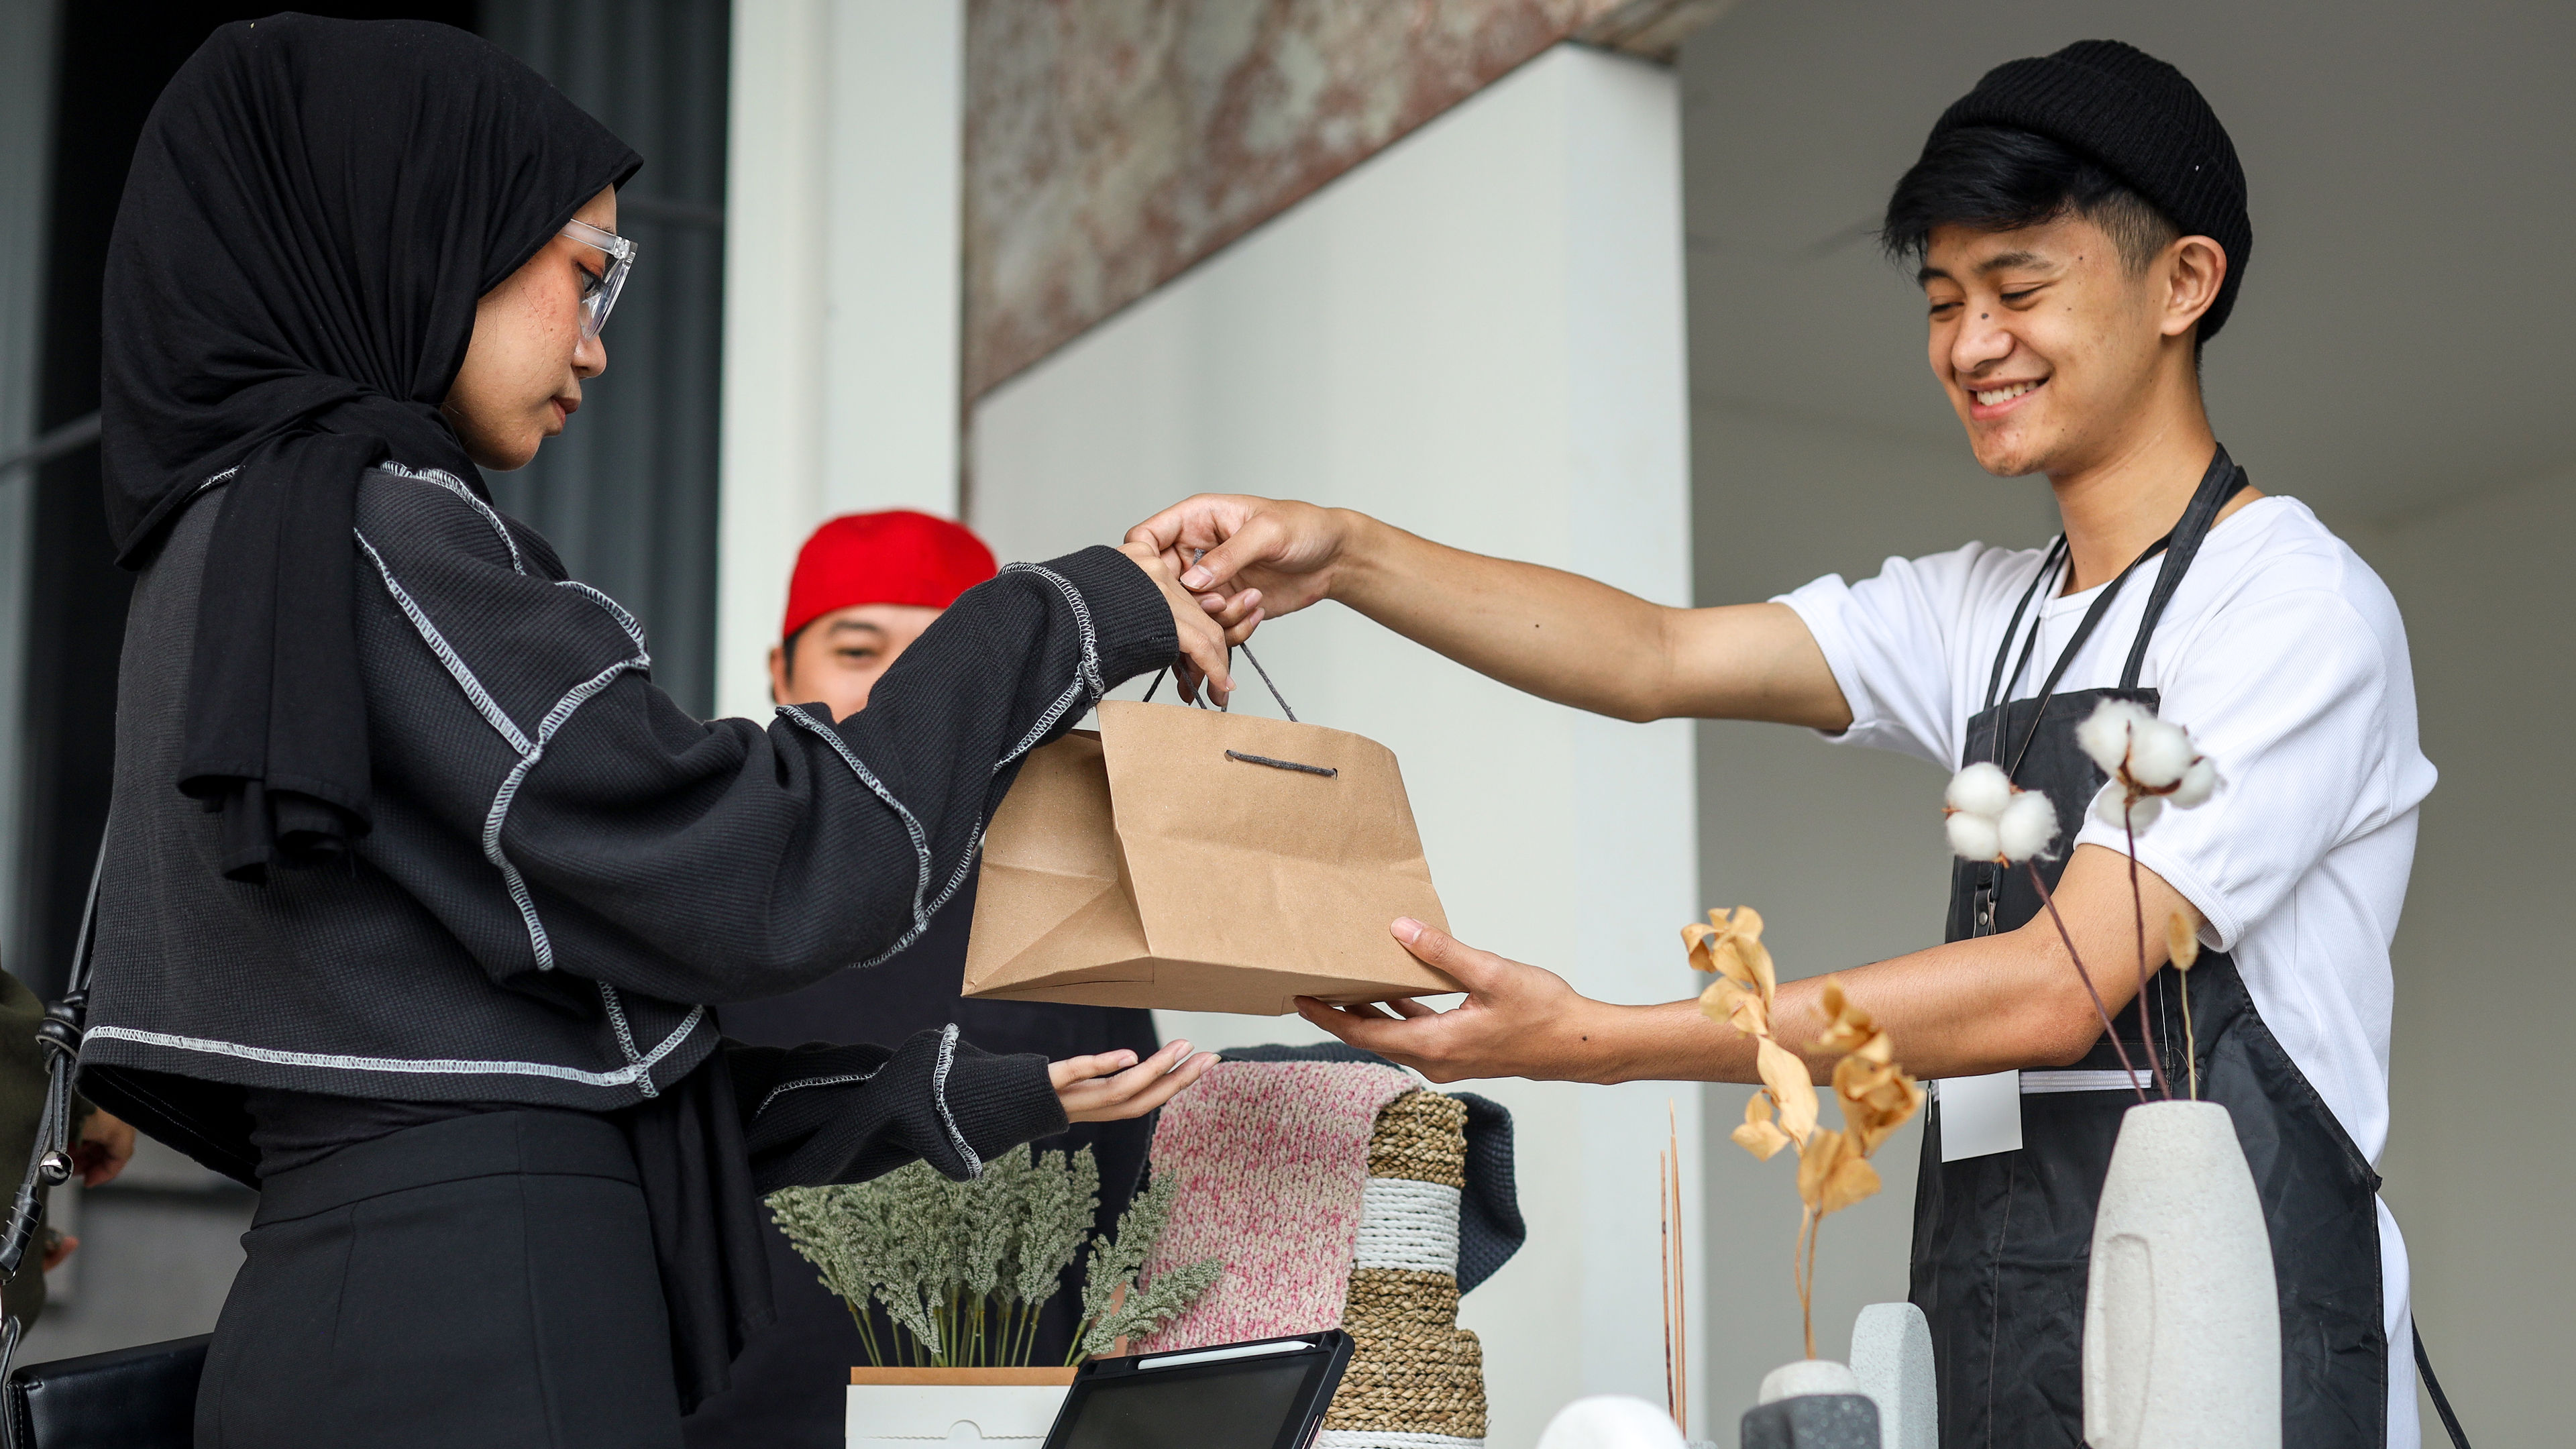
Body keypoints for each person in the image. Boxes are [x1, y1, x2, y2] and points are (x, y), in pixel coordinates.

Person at [1134, 40, 2429, 1449]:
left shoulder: (2289, 606)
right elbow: (1653, 656)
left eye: (2019, 289)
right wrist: (1345, 552)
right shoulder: (1985, 614)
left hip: (2238, 1354)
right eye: (1943, 301)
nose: (1971, 345)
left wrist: (1596, 1043)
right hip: (1999, 1332)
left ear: (2185, 283)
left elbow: (2060, 987)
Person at [77, 17, 1230, 1448]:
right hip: (487, 1336)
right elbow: (760, 871)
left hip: (363, 1317)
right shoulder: (371, 528)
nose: (600, 343)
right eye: (584, 269)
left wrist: (939, 1085)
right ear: (434, 230)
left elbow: (497, 1030)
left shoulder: (247, 552)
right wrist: (1080, 606)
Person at [682, 511, 1163, 1448]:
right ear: (780, 675)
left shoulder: (1059, 912)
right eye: (858, 649)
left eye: (941, 655)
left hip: (999, 1423)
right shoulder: (700, 895)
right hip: (726, 1420)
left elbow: (1127, 1209)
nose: (901, 687)